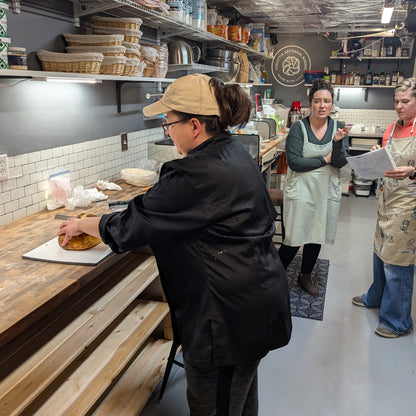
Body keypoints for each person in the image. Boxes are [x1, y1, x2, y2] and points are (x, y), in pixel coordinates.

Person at [58, 74, 292, 416]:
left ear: (194, 125)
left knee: (217, 405)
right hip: (252, 302)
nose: (167, 131)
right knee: (238, 401)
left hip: (227, 320)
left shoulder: (193, 174)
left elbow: (130, 226)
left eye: (168, 123)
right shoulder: (232, 151)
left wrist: (81, 223)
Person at [352, 78, 416, 338]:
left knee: (398, 258)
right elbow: (387, 161)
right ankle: (375, 297)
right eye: (396, 102)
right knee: (380, 251)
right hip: (386, 198)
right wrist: (377, 153)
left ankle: (397, 321)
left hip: (409, 202)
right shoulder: (391, 128)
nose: (399, 106)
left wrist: (412, 171)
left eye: (405, 101)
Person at [278, 78, 349, 297]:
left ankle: (305, 276)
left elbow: (339, 162)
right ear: (310, 103)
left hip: (325, 191)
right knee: (293, 238)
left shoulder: (338, 127)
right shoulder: (299, 128)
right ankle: (274, 278)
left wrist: (337, 144)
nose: (322, 106)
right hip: (300, 191)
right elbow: (295, 162)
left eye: (326, 101)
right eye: (317, 101)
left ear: (332, 104)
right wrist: (324, 159)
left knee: (316, 235)